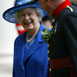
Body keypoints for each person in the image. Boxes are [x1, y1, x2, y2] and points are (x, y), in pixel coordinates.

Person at [3, 0, 51, 77]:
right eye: (22, 15)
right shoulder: (18, 40)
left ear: (38, 15)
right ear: (18, 19)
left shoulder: (49, 35)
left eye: (30, 14)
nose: (26, 18)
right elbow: (15, 71)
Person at [36, 0, 77, 77]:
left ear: (48, 1)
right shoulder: (60, 16)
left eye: (40, 2)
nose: (40, 7)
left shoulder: (70, 15)